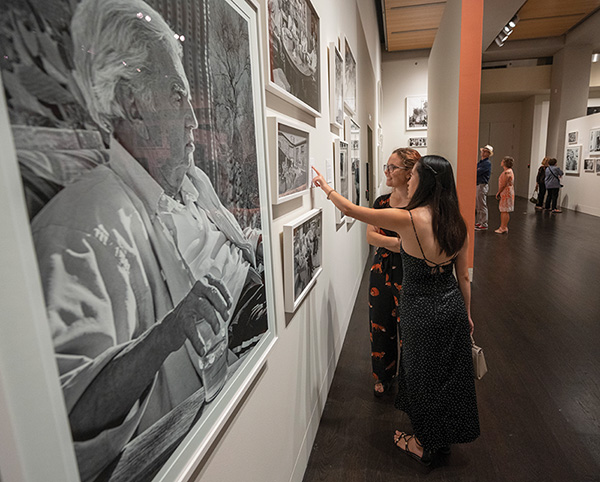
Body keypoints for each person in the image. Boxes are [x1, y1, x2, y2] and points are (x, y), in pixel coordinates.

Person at [28, 0, 267, 479]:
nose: (195, 120)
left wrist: (258, 244)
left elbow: (227, 244)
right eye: (178, 95)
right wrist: (165, 335)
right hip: (211, 430)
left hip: (260, 356)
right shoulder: (84, 222)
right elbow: (61, 417)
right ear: (133, 104)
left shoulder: (190, 181)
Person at [312, 155, 480, 465]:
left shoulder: (409, 219)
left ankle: (422, 443)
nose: (409, 179)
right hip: (452, 307)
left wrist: (326, 187)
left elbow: (351, 211)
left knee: (420, 377)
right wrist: (467, 315)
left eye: (413, 174)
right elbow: (465, 276)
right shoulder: (458, 222)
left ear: (424, 181)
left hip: (420, 310)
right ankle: (440, 439)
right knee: (447, 376)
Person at [367, 148, 420, 397]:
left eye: (392, 167)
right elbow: (370, 235)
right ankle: (383, 375)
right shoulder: (381, 202)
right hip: (382, 270)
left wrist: (386, 241)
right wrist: (400, 245)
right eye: (386, 166)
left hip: (411, 274)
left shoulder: (421, 205)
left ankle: (411, 382)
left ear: (410, 173)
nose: (387, 171)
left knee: (409, 331)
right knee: (380, 324)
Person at [495, 156, 515, 234]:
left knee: (504, 210)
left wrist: (499, 192)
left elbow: (503, 184)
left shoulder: (507, 172)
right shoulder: (509, 171)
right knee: (505, 210)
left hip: (506, 192)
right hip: (507, 191)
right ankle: (503, 226)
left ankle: (503, 227)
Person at [475, 145, 493, 231]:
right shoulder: (481, 162)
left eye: (485, 151)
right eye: (483, 151)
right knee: (479, 204)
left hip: (482, 184)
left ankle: (484, 223)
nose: (483, 152)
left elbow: (477, 172)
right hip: (478, 184)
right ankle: (480, 221)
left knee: (482, 204)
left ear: (489, 154)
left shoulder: (486, 163)